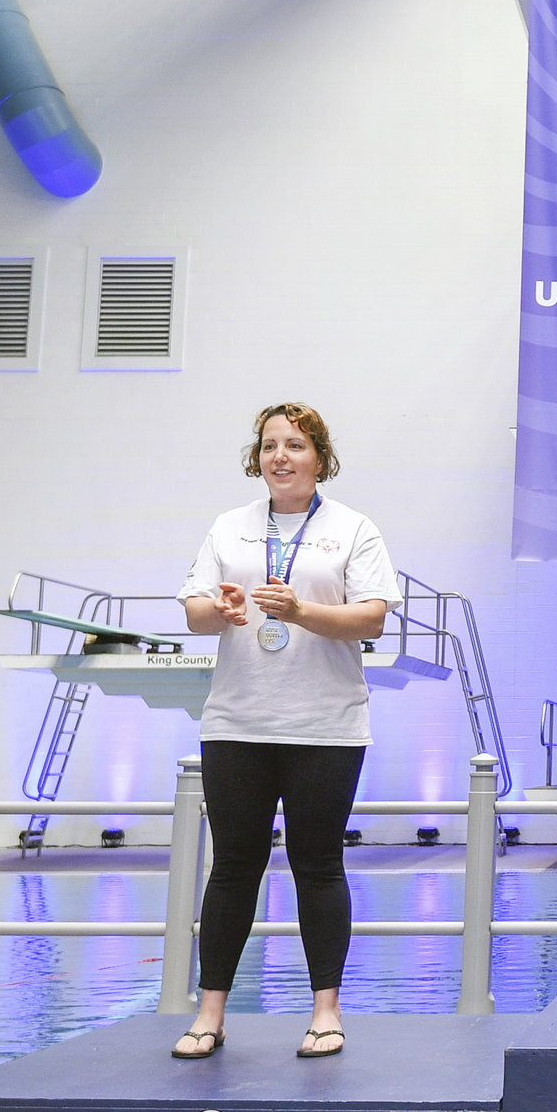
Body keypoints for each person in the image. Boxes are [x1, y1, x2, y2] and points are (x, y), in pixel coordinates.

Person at [171, 404, 402, 1060]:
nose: (280, 456)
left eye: (294, 445)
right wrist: (219, 610)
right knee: (233, 868)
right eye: (269, 445)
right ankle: (208, 1013)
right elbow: (193, 612)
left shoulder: (353, 529)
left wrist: (301, 611)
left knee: (318, 864)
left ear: (318, 457)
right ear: (257, 457)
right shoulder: (230, 527)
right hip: (238, 722)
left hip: (325, 726)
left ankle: (325, 1012)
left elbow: (373, 620)